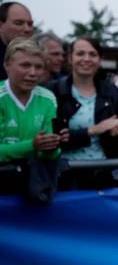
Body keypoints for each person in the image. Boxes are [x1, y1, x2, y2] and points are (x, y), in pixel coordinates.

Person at [47, 37, 118, 190]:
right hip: (65, 175)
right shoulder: (53, 91)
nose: (86, 59)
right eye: (80, 54)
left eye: (93, 54)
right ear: (70, 58)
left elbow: (116, 144)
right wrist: (92, 130)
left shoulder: (111, 92)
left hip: (102, 174)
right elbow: (52, 140)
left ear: (99, 60)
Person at [0, 38, 66, 198]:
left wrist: (54, 144)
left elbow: (49, 155)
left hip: (32, 186)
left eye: (38, 67)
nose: (32, 73)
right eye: (25, 65)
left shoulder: (48, 98)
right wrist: (33, 145)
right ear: (7, 66)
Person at [0, 2, 34, 80]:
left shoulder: (37, 56)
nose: (27, 29)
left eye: (30, 24)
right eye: (18, 23)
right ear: (1, 26)